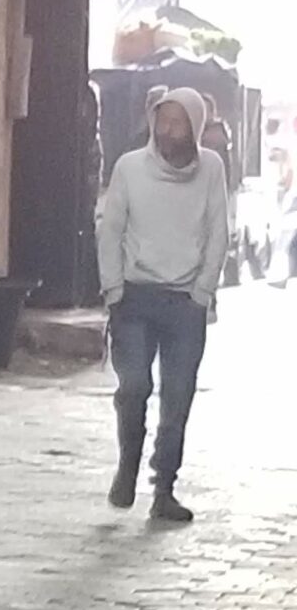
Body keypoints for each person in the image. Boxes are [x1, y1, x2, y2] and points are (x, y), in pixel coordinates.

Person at [96, 85, 228, 523]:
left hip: (185, 304)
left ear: (196, 128)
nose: (169, 131)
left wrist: (202, 292)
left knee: (178, 398)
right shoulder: (130, 167)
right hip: (134, 298)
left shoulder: (211, 169)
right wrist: (113, 289)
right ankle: (127, 464)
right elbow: (111, 229)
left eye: (179, 124)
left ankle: (164, 487)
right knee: (133, 387)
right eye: (163, 121)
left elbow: (218, 231)